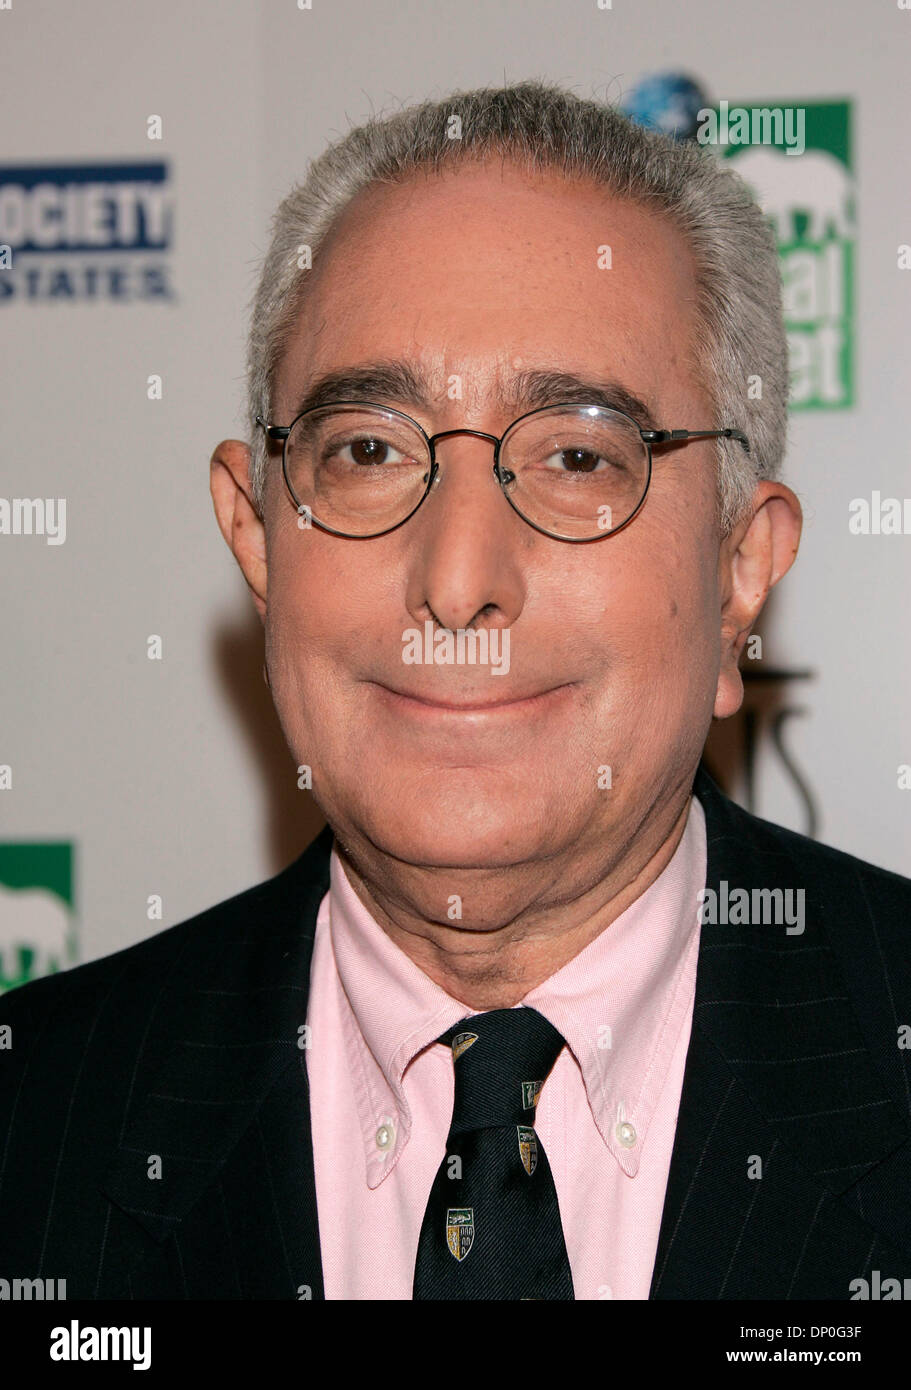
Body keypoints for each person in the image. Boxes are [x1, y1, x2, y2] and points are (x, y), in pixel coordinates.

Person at [2, 80, 909, 1301]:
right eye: (368, 450)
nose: (459, 579)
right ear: (258, 540)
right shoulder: (32, 1125)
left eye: (579, 454)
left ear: (740, 568)